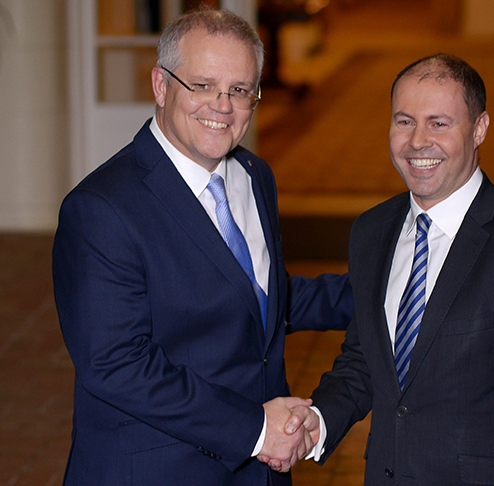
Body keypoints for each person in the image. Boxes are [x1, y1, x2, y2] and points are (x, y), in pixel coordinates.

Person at [52, 6, 351, 486]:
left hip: (259, 472)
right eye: (203, 85)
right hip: (158, 471)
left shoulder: (254, 175)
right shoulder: (101, 209)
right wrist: (256, 430)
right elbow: (117, 364)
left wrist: (382, 293)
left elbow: (256, 299)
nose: (222, 106)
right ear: (160, 85)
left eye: (239, 90)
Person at [284, 53, 494, 485]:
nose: (417, 141)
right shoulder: (372, 231)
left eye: (438, 123)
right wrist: (320, 420)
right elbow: (367, 358)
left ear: (479, 128)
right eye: (404, 121)